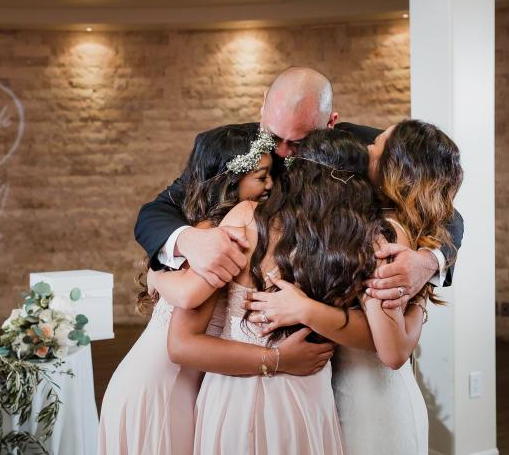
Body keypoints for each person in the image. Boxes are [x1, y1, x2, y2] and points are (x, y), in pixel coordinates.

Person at [134, 67, 464, 317]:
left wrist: (428, 262)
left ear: (330, 123)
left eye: (298, 142)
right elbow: (156, 211)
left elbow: (444, 211)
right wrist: (188, 240)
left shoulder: (365, 149)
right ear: (263, 105)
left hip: (340, 319)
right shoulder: (228, 147)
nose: (281, 151)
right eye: (274, 136)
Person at [99, 124, 325, 455]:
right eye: (261, 177)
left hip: (183, 384)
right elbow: (189, 296)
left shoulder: (221, 222)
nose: (270, 185)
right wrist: (278, 359)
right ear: (230, 180)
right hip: (162, 387)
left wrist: (156, 276)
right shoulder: (221, 232)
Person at [244, 119, 463, 454]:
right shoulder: (364, 220)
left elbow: (393, 352)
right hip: (342, 394)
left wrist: (304, 309)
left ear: (395, 168)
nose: (368, 147)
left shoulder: (381, 234)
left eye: (378, 144)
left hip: (372, 405)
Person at [164, 128, 386, 454]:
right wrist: (276, 359)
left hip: (240, 398)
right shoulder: (359, 242)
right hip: (303, 396)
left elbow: (181, 344)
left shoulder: (246, 219)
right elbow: (377, 339)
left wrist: (303, 316)